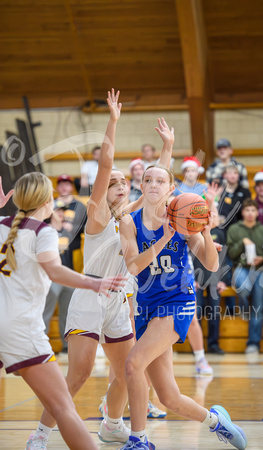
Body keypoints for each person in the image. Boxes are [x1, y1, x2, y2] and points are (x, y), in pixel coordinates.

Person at [27, 91, 175, 449]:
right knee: (77, 375)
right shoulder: (96, 215)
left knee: (129, 371)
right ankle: (41, 434)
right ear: (101, 191)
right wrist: (113, 121)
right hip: (89, 297)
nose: (121, 186)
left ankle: (111, 424)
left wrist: (167, 147)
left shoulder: (131, 215)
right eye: (114, 184)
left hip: (117, 300)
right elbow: (106, 164)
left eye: (126, 183)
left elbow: (160, 184)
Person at [119, 164, 247, 449]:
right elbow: (132, 265)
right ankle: (217, 422)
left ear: (171, 189)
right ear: (141, 186)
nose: (152, 184)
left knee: (133, 364)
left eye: (159, 180)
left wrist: (207, 231)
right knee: (169, 398)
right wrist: (164, 237)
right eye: (147, 179)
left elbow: (212, 265)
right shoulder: (130, 221)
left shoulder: (185, 217)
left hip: (177, 302)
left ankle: (138, 440)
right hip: (146, 307)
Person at [0, 173, 126, 450]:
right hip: (20, 330)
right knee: (64, 408)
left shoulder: (1, 224)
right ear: (48, 200)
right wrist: (95, 281)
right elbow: (55, 271)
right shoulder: (42, 232)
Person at [227, 199, 263, 354]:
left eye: (253, 210)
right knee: (244, 289)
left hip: (260, 270)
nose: (250, 213)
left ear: (257, 212)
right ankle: (244, 311)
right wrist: (242, 243)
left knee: (258, 306)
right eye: (247, 210)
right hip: (241, 268)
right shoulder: (234, 229)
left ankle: (253, 343)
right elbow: (230, 254)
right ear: (243, 212)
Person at [43, 199, 75, 354]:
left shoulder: (68, 231)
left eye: (63, 211)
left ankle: (66, 345)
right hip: (52, 277)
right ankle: (41, 344)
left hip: (68, 276)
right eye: (58, 211)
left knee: (67, 313)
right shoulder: (44, 230)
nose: (61, 213)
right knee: (46, 311)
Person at [55, 174, 87, 266]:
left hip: (74, 246)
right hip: (55, 246)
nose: (64, 187)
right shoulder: (51, 204)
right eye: (61, 185)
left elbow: (87, 226)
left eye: (67, 184)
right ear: (57, 187)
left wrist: (73, 227)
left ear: (72, 187)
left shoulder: (80, 206)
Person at [217, 164, 251, 235]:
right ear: (224, 175)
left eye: (235, 173)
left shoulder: (245, 191)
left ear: (238, 175)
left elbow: (248, 209)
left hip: (240, 226)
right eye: (230, 173)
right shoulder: (219, 191)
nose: (233, 176)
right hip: (223, 228)